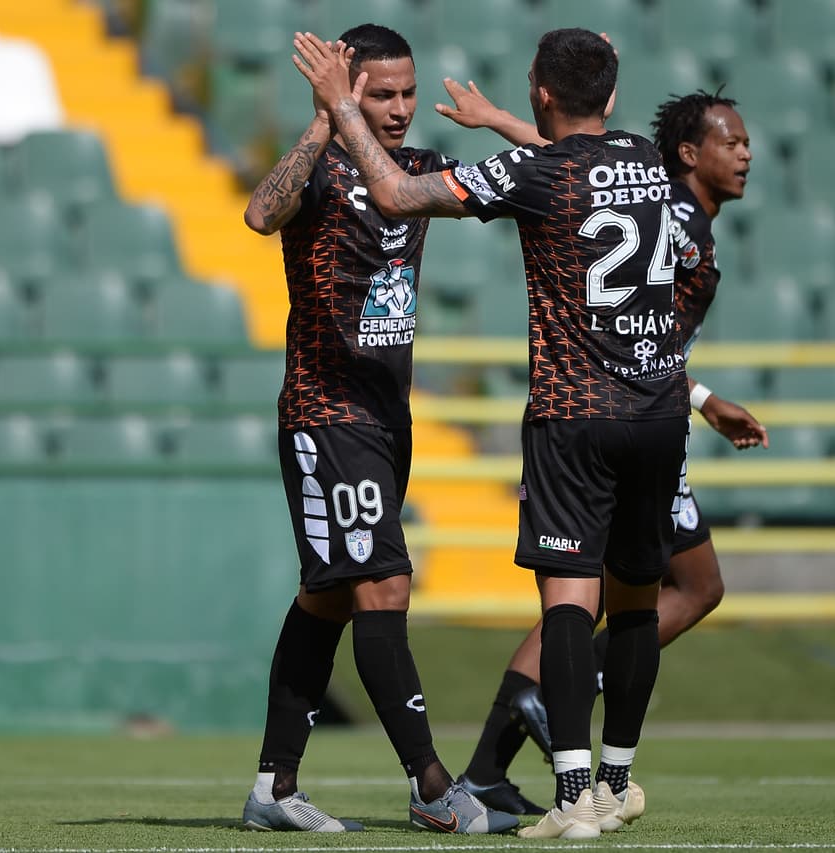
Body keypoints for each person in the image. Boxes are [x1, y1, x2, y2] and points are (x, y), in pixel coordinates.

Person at [294, 27, 699, 838]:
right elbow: (571, 157)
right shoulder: (646, 161)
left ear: (540, 92)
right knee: (639, 598)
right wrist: (503, 122)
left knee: (568, 600)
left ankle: (574, 798)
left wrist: (341, 105)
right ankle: (617, 781)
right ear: (612, 97)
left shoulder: (539, 171)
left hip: (576, 412)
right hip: (663, 409)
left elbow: (401, 196)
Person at [444, 87, 767, 815]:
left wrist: (703, 395)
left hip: (633, 407)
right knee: (641, 588)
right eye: (731, 141)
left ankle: (512, 745)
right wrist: (691, 396)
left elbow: (574, 164)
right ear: (688, 154)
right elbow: (633, 335)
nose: (746, 152)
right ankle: (557, 713)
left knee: (602, 588)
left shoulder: (650, 190)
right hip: (631, 417)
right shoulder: (674, 210)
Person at [238, 23, 517, 835]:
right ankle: (432, 784)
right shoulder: (318, 172)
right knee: (383, 586)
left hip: (387, 416)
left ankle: (274, 788)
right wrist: (325, 119)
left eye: (406, 92)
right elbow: (260, 214)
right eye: (380, 94)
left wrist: (506, 124)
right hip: (327, 413)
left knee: (324, 597)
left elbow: (536, 181)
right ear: (348, 89)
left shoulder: (418, 173)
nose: (399, 109)